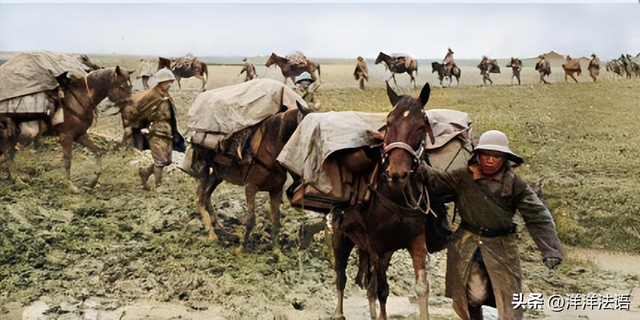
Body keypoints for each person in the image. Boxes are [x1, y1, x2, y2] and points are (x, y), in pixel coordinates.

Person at [417, 130, 565, 320]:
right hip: (467, 245)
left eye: (496, 156)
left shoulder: (514, 185)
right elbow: (437, 181)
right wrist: (416, 164)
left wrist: (551, 250)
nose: (489, 160)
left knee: (510, 306)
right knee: (471, 297)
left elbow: (538, 215)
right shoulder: (463, 177)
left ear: (504, 159)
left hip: (501, 248)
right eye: (486, 155)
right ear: (478, 156)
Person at [135, 68, 185, 191]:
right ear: (161, 82)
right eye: (167, 82)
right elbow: (139, 111)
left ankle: (145, 172)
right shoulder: (152, 95)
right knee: (160, 161)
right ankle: (158, 186)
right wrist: (143, 127)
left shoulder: (165, 95)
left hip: (167, 130)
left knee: (167, 160)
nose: (169, 84)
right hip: (155, 131)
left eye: (170, 82)